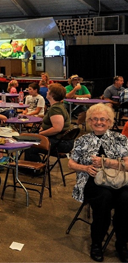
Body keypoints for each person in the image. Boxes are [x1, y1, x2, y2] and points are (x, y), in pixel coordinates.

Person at [67, 104, 128, 262]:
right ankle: (96, 243)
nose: (99, 122)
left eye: (103, 119)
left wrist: (107, 162)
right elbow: (71, 164)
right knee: (104, 198)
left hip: (118, 181)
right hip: (91, 180)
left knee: (126, 199)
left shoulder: (120, 139)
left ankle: (122, 244)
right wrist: (85, 168)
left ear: (109, 121)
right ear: (89, 121)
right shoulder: (82, 140)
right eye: (95, 119)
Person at [24, 83, 73, 161]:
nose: (47, 92)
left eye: (48, 91)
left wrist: (41, 134)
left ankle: (36, 169)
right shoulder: (58, 106)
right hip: (62, 141)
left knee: (30, 146)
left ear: (52, 94)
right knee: (30, 140)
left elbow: (57, 128)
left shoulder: (55, 109)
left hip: (61, 143)